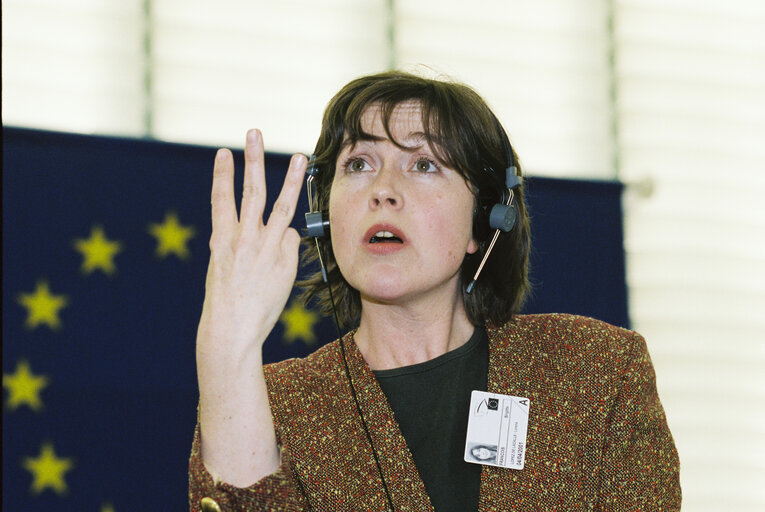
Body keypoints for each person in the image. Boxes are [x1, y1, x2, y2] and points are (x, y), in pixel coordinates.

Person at [188, 71, 681, 511]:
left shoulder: (595, 370)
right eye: (358, 163)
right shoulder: (273, 404)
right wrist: (225, 345)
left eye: (423, 164)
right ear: (324, 216)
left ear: (483, 221)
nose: (382, 189)